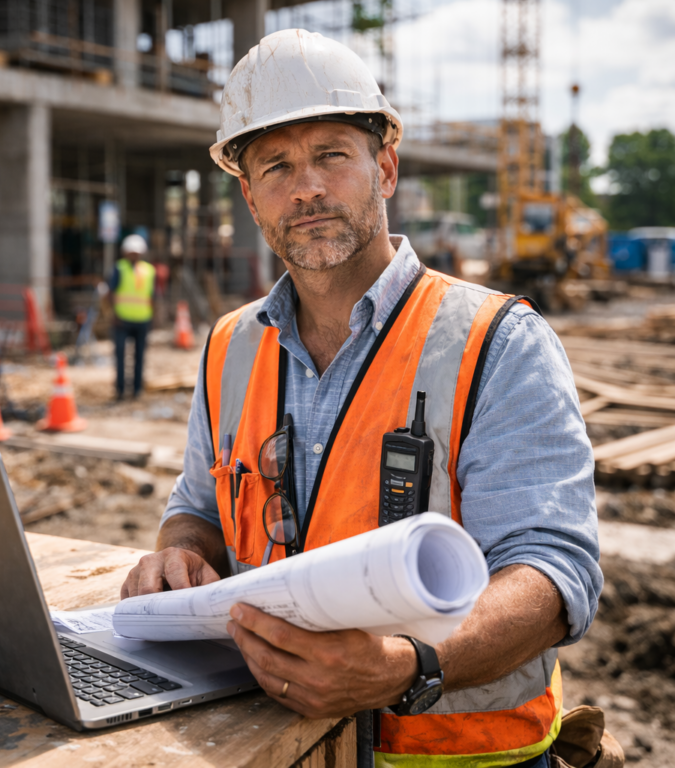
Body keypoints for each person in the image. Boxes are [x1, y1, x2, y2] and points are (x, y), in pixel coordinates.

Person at [121, 30, 602, 768]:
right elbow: (198, 507)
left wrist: (411, 665)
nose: (306, 187)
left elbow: (552, 572)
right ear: (248, 196)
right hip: (275, 743)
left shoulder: (496, 342)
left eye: (332, 155)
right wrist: (179, 553)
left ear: (385, 168)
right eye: (276, 165)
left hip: (454, 758)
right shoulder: (229, 347)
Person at [109, 234, 155, 400]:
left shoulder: (149, 270)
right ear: (125, 253)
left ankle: (137, 390)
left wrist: (153, 317)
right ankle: (120, 390)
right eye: (131, 252)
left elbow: (152, 296)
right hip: (122, 320)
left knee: (140, 356)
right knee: (120, 356)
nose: (134, 255)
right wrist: (113, 314)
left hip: (142, 319)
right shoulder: (119, 268)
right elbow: (111, 294)